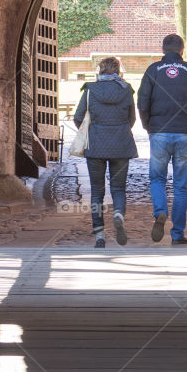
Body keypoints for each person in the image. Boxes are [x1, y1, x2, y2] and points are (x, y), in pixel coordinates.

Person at [137, 33, 187, 245]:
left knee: (157, 178)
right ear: (182, 50)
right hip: (184, 133)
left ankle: (160, 211)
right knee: (181, 185)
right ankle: (178, 234)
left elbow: (143, 101)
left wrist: (148, 125)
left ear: (162, 50)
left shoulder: (152, 71)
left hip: (159, 131)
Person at [73, 56, 138, 249]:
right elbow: (131, 118)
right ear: (118, 71)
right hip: (121, 145)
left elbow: (78, 117)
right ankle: (118, 214)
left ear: (100, 70)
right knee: (118, 188)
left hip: (96, 146)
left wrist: (90, 130)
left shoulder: (90, 90)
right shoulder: (127, 90)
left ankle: (100, 235)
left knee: (97, 191)